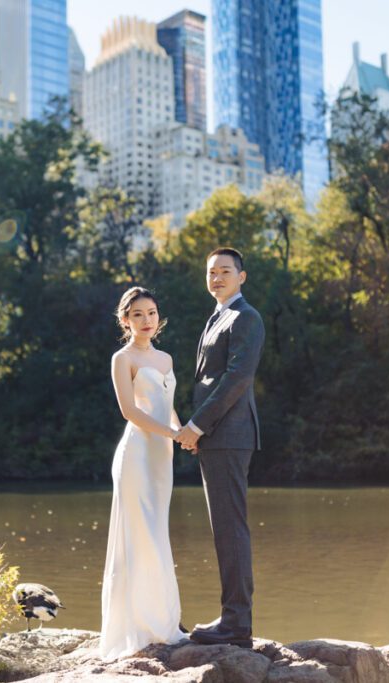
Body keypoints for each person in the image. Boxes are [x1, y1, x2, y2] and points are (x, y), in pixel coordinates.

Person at [175, 247, 265, 649]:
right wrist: (201, 432)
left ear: (241, 277)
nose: (217, 277)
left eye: (225, 271)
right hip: (217, 437)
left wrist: (196, 426)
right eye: (211, 272)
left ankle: (236, 623)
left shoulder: (246, 317)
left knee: (231, 529)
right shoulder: (218, 317)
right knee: (225, 529)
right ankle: (233, 617)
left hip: (229, 435)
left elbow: (237, 379)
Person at [99, 286, 187, 661]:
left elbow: (168, 406)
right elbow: (130, 412)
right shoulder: (123, 358)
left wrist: (184, 434)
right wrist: (172, 433)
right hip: (137, 454)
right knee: (139, 534)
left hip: (161, 457)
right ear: (125, 320)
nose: (147, 320)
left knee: (157, 533)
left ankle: (164, 622)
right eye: (138, 314)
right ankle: (135, 626)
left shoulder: (166, 357)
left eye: (151, 313)